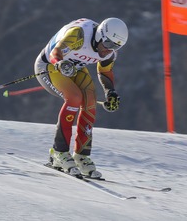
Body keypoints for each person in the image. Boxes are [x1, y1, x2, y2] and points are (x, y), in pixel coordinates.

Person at [34, 17, 128, 178]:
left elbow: (105, 71)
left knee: (90, 99)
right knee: (74, 98)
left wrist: (110, 92)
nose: (108, 50)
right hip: (49, 65)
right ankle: (59, 152)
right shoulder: (79, 34)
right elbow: (55, 53)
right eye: (108, 44)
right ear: (100, 35)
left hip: (74, 68)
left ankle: (81, 155)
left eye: (115, 47)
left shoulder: (109, 52)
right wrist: (60, 63)